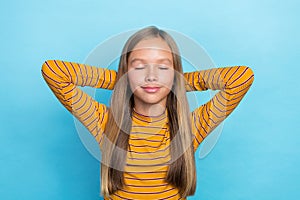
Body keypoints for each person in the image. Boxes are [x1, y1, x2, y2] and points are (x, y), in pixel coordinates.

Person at [41, 26, 254, 200]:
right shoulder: (105, 122)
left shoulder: (190, 127)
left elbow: (241, 77)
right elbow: (54, 72)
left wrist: (175, 82)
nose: (151, 76)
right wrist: (124, 80)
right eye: (139, 67)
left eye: (163, 67)